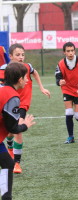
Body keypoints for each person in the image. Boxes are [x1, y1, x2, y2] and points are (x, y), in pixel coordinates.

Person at [2, 44, 50, 174]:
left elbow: (35, 73)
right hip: (9, 104)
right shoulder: (4, 69)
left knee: (18, 130)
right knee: (10, 132)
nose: (21, 57)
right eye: (18, 55)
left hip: (22, 104)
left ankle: (17, 163)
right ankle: (10, 149)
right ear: (10, 56)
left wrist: (41, 87)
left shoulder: (27, 67)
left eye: (23, 54)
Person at [0, 62, 35, 200]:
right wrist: (25, 125)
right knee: (8, 164)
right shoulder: (12, 96)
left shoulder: (2, 89)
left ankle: (6, 197)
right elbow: (12, 128)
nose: (27, 80)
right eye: (26, 77)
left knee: (8, 163)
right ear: (20, 79)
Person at [55, 42, 78, 144]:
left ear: (74, 51)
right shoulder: (61, 64)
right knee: (69, 113)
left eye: (72, 51)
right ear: (64, 52)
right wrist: (59, 82)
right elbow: (58, 77)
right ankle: (71, 137)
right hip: (67, 89)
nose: (70, 53)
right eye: (68, 51)